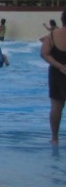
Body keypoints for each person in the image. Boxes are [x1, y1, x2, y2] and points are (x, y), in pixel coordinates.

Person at [40, 9, 66, 144]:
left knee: (56, 106)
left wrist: (60, 66)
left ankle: (55, 138)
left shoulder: (53, 35)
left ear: (62, 20)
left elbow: (44, 54)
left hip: (57, 73)